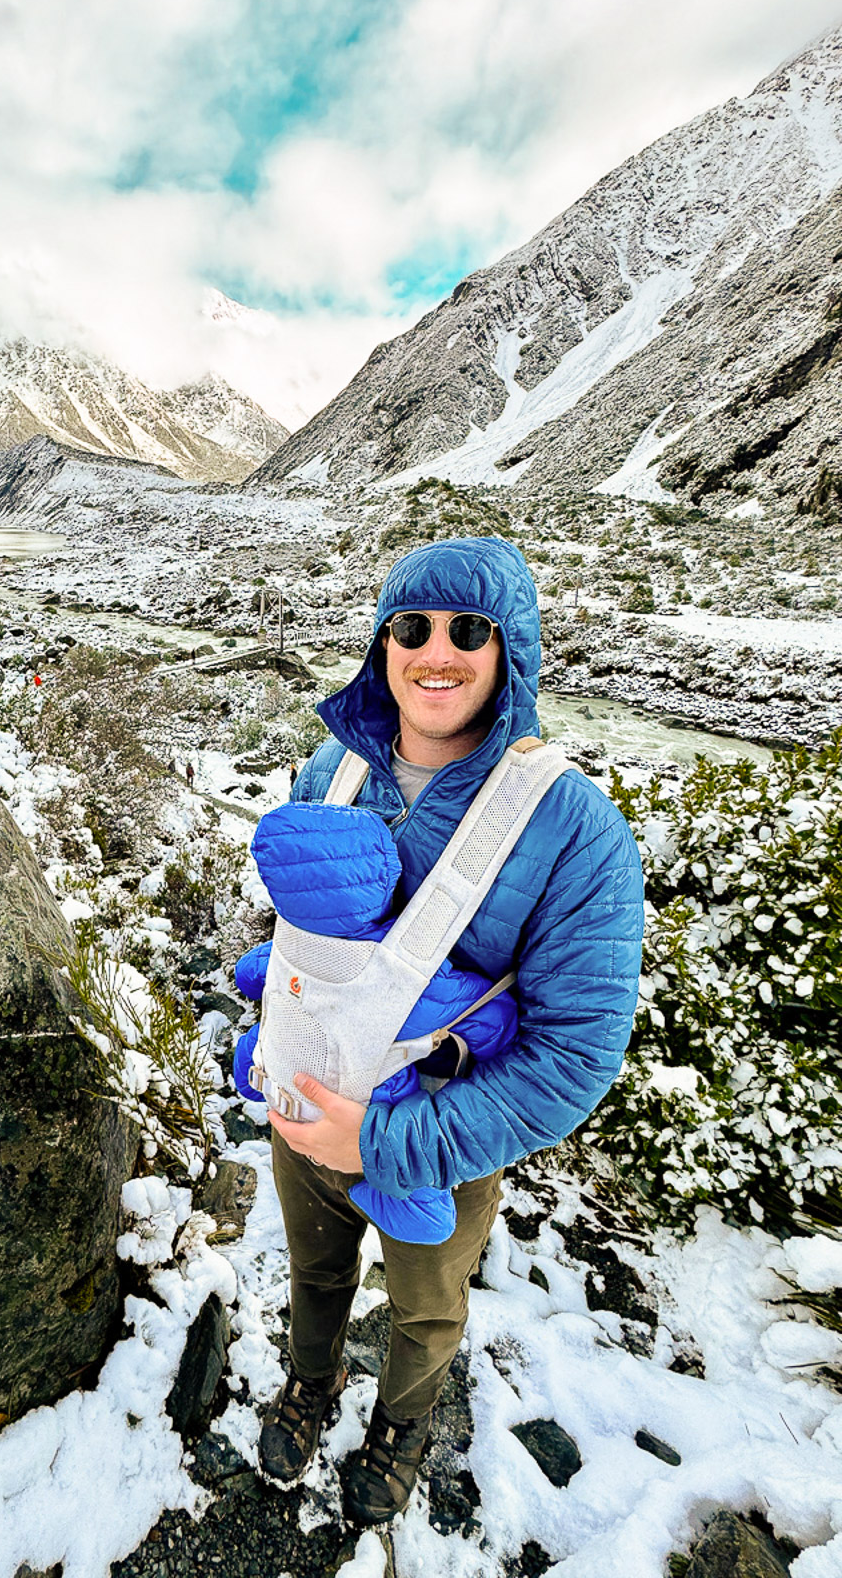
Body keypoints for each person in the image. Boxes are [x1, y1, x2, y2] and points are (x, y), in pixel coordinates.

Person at [255, 536, 644, 1526]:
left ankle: (404, 1421)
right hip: (301, 1109)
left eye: (469, 630)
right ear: (382, 644)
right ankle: (312, 1378)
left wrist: (383, 1140)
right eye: (411, 627)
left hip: (437, 1145)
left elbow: (574, 1057)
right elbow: (306, 931)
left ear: (511, 648)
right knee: (316, 1269)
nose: (438, 652)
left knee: (426, 1306)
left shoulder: (575, 828)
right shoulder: (331, 767)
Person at [230, 798, 520, 1244]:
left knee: (257, 1050)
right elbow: (487, 1017)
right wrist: (505, 1024)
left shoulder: (290, 941)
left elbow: (249, 974)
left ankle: (248, 1077)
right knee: (432, 1224)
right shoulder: (399, 971)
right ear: (383, 876)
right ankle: (376, 1197)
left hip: (280, 1080)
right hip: (365, 1104)